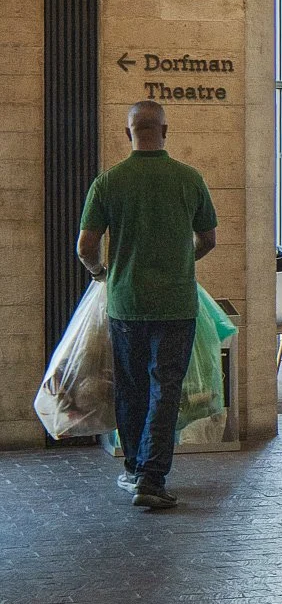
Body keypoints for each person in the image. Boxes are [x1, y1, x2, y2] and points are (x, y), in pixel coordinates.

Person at [76, 100, 218, 512]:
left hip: (126, 305)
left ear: (128, 134)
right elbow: (208, 239)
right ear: (166, 132)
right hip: (176, 304)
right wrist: (182, 260)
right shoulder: (189, 179)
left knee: (132, 388)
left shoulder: (109, 182)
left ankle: (136, 469)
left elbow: (85, 246)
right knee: (166, 388)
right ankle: (153, 478)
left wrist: (102, 271)